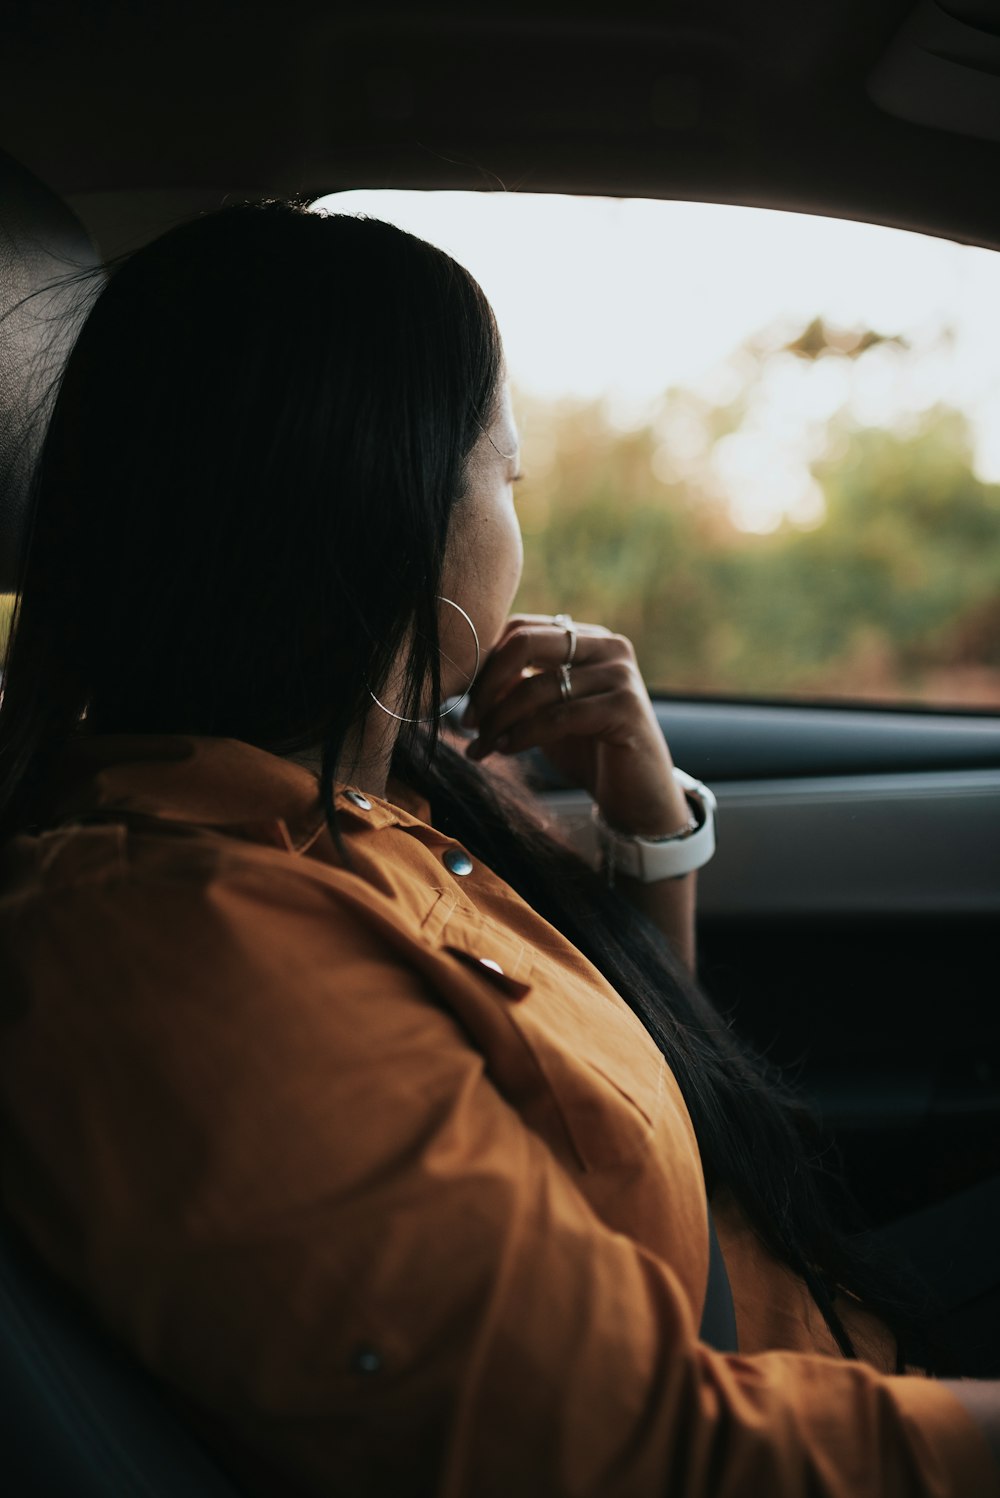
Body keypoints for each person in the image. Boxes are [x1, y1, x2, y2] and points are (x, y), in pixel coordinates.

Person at [0, 199, 996, 1497]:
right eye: (504, 474)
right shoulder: (182, 948)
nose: (520, 528)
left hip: (827, 1347)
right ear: (380, 495)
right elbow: (654, 1455)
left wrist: (645, 824)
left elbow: (624, 1115)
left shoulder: (355, 806)